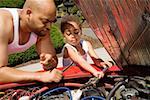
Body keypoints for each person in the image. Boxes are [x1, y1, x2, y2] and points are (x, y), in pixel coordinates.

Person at [0, 0, 63, 83]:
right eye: (45, 21)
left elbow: (51, 63)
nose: (49, 27)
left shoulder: (41, 29)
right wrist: (39, 76)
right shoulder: (3, 24)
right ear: (29, 13)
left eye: (52, 22)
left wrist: (49, 62)